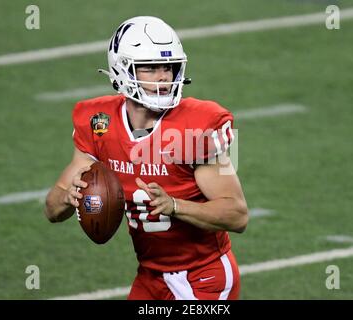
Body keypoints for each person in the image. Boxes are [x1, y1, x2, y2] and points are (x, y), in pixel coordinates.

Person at [44, 16, 248, 300]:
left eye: (168, 67)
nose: (163, 77)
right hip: (151, 276)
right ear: (121, 69)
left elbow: (237, 215)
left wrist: (175, 206)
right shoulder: (99, 123)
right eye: (150, 68)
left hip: (205, 276)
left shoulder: (198, 127)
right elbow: (52, 210)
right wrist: (69, 198)